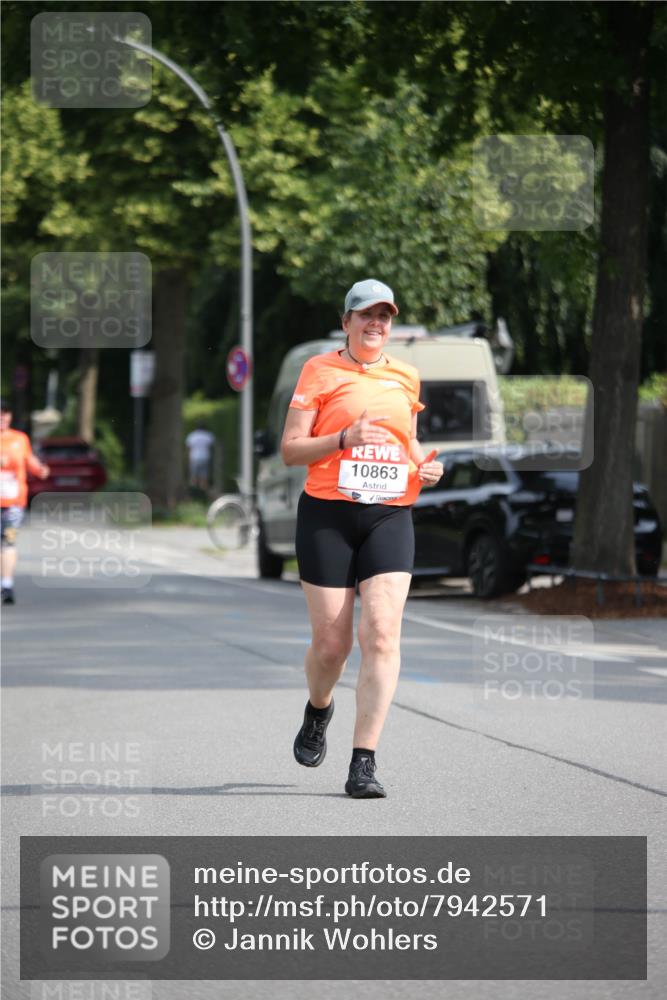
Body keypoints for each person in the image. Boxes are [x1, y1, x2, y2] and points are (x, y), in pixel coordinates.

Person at [281, 279, 444, 799]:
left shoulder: (406, 376)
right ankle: (318, 709)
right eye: (366, 315)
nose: (377, 323)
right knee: (332, 646)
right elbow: (290, 449)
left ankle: (364, 762)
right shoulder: (319, 371)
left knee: (381, 634)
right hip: (327, 513)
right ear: (346, 320)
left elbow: (406, 437)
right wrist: (343, 438)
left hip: (389, 514)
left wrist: (423, 463)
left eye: (385, 316)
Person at [0, 400, 50, 605]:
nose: (2, 418)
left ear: (10, 416)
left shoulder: (20, 439)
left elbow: (29, 460)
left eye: (5, 414)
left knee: (8, 542)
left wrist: (40, 469)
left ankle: (7, 585)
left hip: (13, 503)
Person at [185, 424, 216, 491]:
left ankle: (193, 493)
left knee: (193, 477)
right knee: (204, 478)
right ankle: (203, 494)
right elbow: (211, 447)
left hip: (194, 458)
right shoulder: (208, 435)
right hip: (205, 457)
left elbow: (188, 448)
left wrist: (188, 459)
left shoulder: (192, 435)